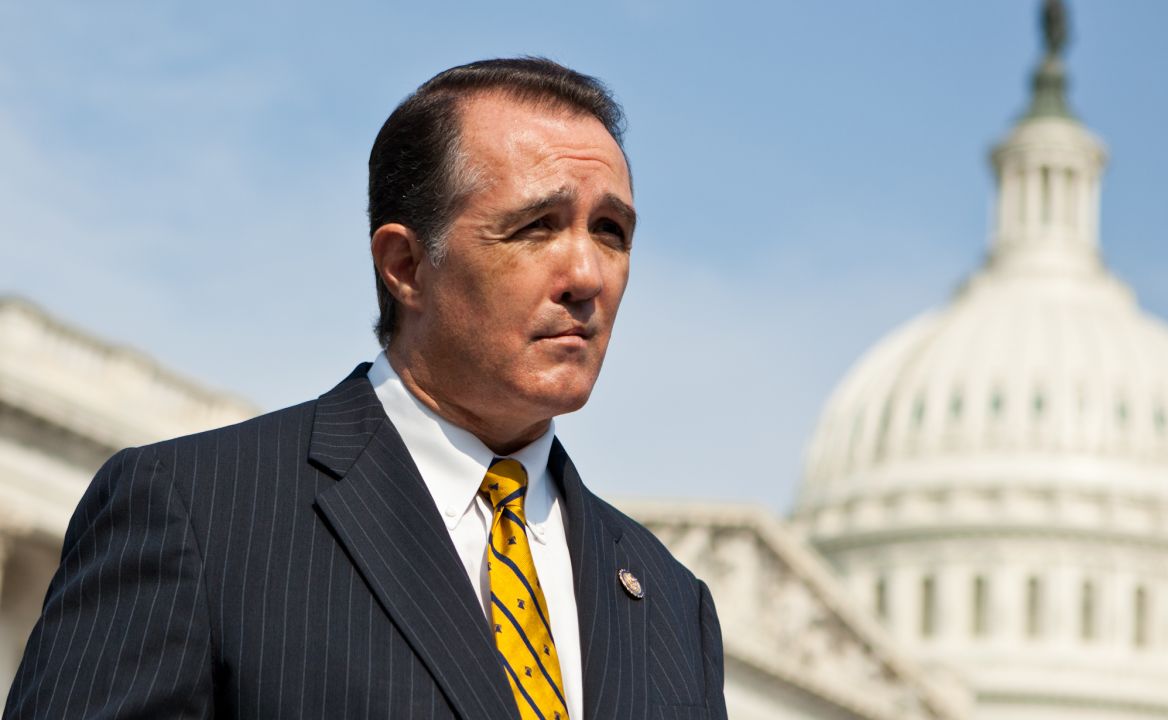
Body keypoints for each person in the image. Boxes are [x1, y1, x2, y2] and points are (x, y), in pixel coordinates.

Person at [4, 58, 728, 720]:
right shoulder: (198, 512)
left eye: (611, 231)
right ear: (406, 265)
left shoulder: (672, 606)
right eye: (537, 226)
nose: (589, 276)